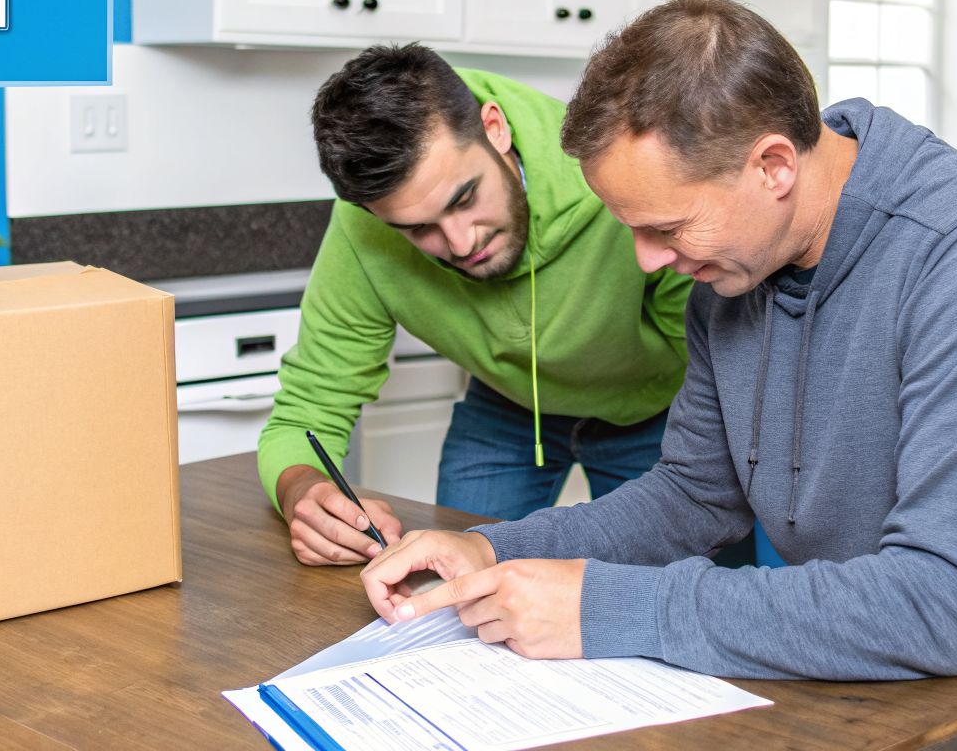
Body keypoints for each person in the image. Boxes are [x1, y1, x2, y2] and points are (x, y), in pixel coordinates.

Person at [359, 0, 957, 749]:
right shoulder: (732, 273)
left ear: (774, 166)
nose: (644, 262)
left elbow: (940, 605)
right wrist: (498, 548)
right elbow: (692, 499)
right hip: (923, 658)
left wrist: (610, 606)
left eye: (665, 228)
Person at [257, 43, 692, 567]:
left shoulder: (611, 173)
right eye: (417, 229)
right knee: (449, 591)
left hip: (661, 410)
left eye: (464, 199)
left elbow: (717, 363)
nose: (461, 243)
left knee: (669, 587)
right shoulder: (364, 230)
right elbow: (307, 411)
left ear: (495, 127)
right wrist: (303, 492)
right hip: (508, 406)